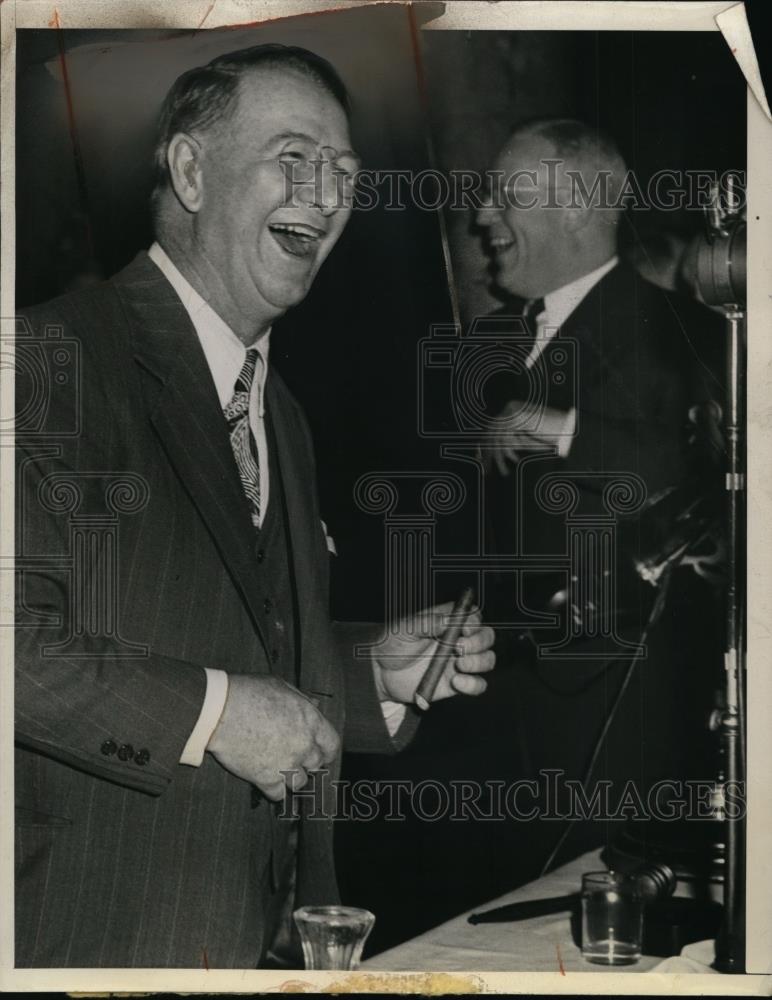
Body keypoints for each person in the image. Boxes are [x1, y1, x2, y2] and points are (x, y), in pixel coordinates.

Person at [14, 44, 495, 968]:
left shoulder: (283, 411)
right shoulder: (44, 362)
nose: (326, 192)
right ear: (192, 172)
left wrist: (368, 673)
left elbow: (232, 634)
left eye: (344, 170)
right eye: (294, 156)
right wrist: (217, 714)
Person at [473, 118, 725, 868]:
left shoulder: (679, 328)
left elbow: (705, 475)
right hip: (508, 703)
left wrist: (560, 427)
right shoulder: (499, 339)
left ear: (579, 205)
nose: (483, 217)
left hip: (618, 711)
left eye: (505, 195)